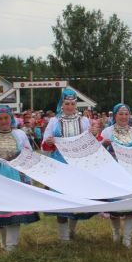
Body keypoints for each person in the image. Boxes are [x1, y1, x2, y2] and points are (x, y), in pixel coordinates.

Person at [0, 105, 40, 252]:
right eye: (0, 118)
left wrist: (22, 161)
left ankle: (11, 247)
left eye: (6, 118)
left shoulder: (20, 135)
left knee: (14, 212)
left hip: (15, 176)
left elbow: (29, 155)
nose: (4, 121)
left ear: (11, 118)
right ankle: (3, 244)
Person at [42, 88, 100, 242]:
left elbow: (91, 143)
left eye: (72, 104)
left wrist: (94, 134)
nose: (69, 107)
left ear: (76, 105)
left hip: (79, 165)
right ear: (62, 104)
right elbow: (44, 143)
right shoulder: (54, 121)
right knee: (62, 201)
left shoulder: (84, 121)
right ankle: (64, 239)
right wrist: (49, 142)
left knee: (76, 200)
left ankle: (71, 231)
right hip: (60, 165)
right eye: (66, 103)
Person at [99, 103, 132, 248]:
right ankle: (115, 234)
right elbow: (97, 152)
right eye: (120, 114)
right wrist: (103, 144)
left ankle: (127, 238)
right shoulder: (107, 132)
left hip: (131, 174)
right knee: (115, 207)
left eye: (126, 114)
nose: (124, 117)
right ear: (115, 115)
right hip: (113, 174)